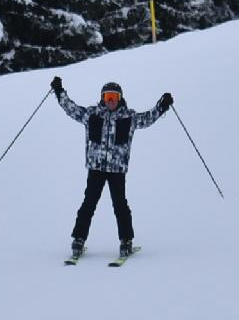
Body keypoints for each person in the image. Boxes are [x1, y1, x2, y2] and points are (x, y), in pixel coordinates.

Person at [50, 78, 173, 262]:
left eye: (114, 97)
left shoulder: (128, 117)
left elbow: (147, 119)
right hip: (96, 168)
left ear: (120, 98)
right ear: (102, 98)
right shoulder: (92, 115)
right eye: (107, 96)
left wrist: (162, 106)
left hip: (117, 170)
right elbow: (71, 108)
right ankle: (78, 240)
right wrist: (59, 92)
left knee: (120, 205)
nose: (110, 100)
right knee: (88, 204)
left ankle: (126, 241)